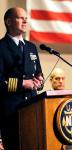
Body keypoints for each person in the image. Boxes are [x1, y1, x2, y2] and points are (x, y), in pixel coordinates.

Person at [0, 7, 44, 150]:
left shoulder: (31, 47)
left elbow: (38, 73)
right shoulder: (1, 47)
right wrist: (23, 84)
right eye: (20, 17)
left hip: (33, 109)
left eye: (26, 17)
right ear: (8, 22)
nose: (25, 20)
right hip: (11, 112)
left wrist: (39, 81)